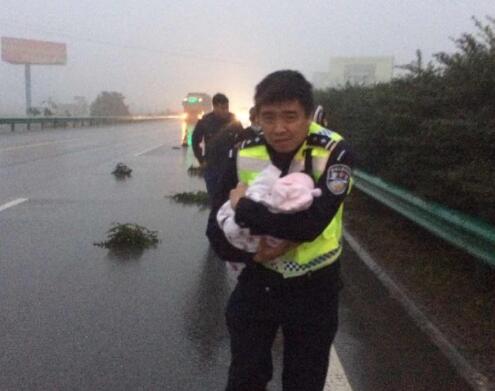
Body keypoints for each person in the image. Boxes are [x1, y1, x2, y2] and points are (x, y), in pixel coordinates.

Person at [206, 70, 354, 391]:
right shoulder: (243, 149)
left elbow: (311, 223)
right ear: (256, 115)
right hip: (258, 278)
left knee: (305, 380)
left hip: (316, 285)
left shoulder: (335, 151)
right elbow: (214, 227)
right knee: (245, 376)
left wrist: (245, 210)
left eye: (290, 117)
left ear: (308, 116)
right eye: (268, 117)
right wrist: (249, 253)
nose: (279, 128)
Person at [216, 164, 322, 252]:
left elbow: (309, 227)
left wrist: (240, 205)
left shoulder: (331, 149)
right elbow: (214, 229)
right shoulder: (241, 151)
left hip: (317, 265)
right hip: (255, 264)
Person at [191, 93, 243, 202]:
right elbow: (195, 141)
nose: (225, 111)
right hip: (212, 167)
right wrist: (201, 160)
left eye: (227, 108)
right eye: (222, 108)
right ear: (214, 107)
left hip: (230, 167)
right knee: (215, 199)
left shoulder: (233, 120)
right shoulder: (205, 121)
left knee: (230, 200)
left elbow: (243, 137)